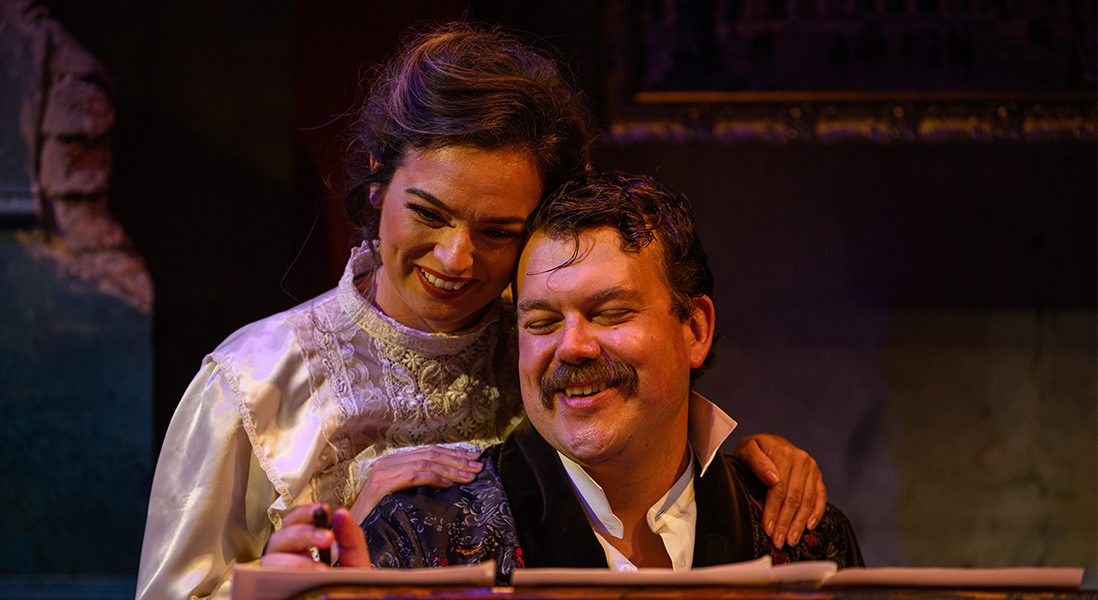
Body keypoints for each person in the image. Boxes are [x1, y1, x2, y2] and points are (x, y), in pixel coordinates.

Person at [137, 23, 828, 600]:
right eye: (429, 215)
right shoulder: (252, 383)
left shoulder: (548, 349)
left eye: (499, 232)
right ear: (378, 180)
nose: (457, 259)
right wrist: (347, 541)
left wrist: (745, 466)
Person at [263, 170, 864, 580]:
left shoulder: (801, 538)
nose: (572, 347)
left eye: (610, 313)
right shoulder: (420, 537)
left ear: (696, 329)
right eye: (543, 321)